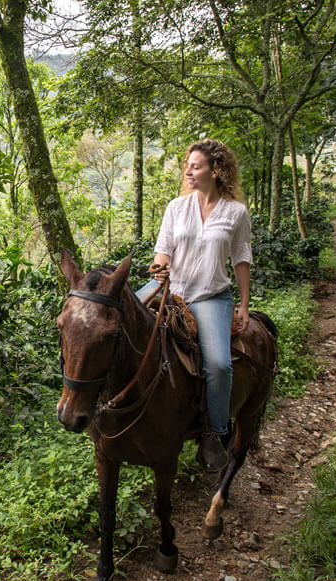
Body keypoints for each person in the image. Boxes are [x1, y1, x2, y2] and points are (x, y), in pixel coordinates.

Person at [137, 138, 252, 472]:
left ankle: (214, 433)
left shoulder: (236, 213)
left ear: (216, 171)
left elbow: (242, 259)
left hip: (209, 296)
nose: (188, 171)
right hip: (170, 288)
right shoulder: (176, 207)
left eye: (196, 166)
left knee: (218, 364)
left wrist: (243, 305)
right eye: (187, 165)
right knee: (119, 320)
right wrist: (159, 267)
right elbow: (163, 250)